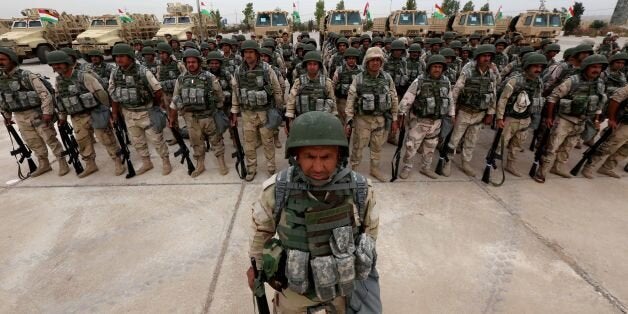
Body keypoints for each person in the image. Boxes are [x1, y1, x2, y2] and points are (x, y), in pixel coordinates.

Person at [247, 111, 379, 314]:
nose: (318, 166)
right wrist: (256, 268)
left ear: (339, 155)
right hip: (294, 289)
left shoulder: (360, 189)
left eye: (326, 157)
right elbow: (260, 234)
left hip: (341, 288)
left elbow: (369, 236)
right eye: (309, 156)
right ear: (296, 155)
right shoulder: (277, 189)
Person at [47, 50, 124, 177]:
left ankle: (118, 161)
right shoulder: (59, 81)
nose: (56, 67)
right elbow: (60, 100)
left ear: (66, 63)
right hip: (77, 116)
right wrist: (62, 117)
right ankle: (90, 165)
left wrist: (108, 112)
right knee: (83, 142)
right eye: (53, 65)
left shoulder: (83, 76)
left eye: (58, 64)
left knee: (107, 139)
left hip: (96, 112)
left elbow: (101, 93)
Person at [533, 55, 608, 183]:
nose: (597, 70)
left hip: (582, 121)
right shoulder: (572, 81)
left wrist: (596, 120)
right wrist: (550, 117)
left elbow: (599, 104)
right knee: (552, 147)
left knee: (568, 147)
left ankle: (558, 168)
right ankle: (542, 172)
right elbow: (552, 98)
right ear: (586, 67)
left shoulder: (599, 84)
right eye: (594, 67)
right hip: (564, 120)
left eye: (599, 67)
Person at [0, 47, 69, 177]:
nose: (0, 62)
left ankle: (62, 161)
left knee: (50, 138)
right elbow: (2, 98)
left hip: (37, 113)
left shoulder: (27, 75)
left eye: (3, 59)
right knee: (32, 141)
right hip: (19, 115)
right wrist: (7, 116)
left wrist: (47, 112)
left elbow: (44, 94)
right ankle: (44, 163)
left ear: (12, 60)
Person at [108, 43, 171, 176]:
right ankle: (146, 162)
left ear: (130, 57)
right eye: (116, 57)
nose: (118, 59)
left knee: (156, 139)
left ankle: (165, 161)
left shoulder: (143, 71)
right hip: (128, 113)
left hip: (146, 112)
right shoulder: (115, 73)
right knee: (137, 141)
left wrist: (153, 106)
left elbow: (158, 90)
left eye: (122, 56)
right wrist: (114, 113)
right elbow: (113, 94)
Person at [168, 49, 228, 177]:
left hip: (208, 116)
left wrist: (217, 112)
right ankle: (200, 164)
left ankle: (221, 162)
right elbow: (175, 98)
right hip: (191, 118)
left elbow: (220, 96)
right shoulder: (181, 79)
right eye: (188, 62)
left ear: (199, 62)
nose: (190, 64)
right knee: (196, 143)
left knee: (216, 140)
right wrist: (172, 118)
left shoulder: (209, 77)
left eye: (193, 62)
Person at [230, 40, 284, 181]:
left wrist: (278, 110)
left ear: (257, 54)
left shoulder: (267, 69)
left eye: (250, 52)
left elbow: (277, 90)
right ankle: (251, 168)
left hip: (265, 112)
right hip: (247, 113)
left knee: (267, 142)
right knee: (249, 143)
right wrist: (234, 113)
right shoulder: (238, 71)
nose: (248, 55)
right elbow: (235, 93)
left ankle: (271, 166)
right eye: (245, 52)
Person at [443, 44, 499, 177]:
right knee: (454, 140)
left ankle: (465, 163)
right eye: (484, 56)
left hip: (479, 113)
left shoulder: (491, 74)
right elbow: (456, 92)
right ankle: (447, 162)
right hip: (464, 112)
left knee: (471, 141)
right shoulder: (467, 71)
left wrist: (491, 113)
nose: (487, 59)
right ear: (478, 57)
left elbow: (493, 94)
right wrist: (452, 112)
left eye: (489, 56)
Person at [344, 47, 399, 182]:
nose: (375, 63)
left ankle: (374, 169)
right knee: (358, 146)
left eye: (378, 60)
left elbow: (394, 98)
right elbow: (351, 99)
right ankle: (354, 170)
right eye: (372, 60)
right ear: (367, 62)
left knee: (377, 146)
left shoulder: (387, 78)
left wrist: (395, 118)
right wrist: (349, 120)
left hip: (380, 119)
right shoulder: (359, 78)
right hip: (363, 120)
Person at [398, 54, 454, 179]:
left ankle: (426, 168)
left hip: (436, 122)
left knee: (431, 147)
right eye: (435, 66)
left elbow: (450, 100)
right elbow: (407, 98)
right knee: (411, 146)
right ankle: (407, 167)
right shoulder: (419, 81)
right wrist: (401, 114)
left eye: (440, 67)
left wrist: (452, 115)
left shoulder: (446, 82)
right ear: (429, 68)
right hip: (419, 122)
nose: (437, 69)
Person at [495, 53, 547, 177]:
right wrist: (499, 117)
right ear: (527, 66)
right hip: (510, 118)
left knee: (517, 145)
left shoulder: (539, 82)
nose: (538, 69)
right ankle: (493, 164)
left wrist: (534, 119)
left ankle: (510, 165)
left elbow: (537, 101)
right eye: (535, 66)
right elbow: (503, 99)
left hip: (525, 119)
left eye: (540, 67)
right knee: (501, 144)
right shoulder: (515, 80)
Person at [581, 84, 628, 179]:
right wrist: (612, 118)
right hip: (624, 122)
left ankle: (607, 167)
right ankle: (589, 166)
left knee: (625, 149)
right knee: (609, 146)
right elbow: (615, 100)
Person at [332, 47, 363, 125]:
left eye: (353, 58)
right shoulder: (340, 70)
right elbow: (334, 84)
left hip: (356, 101)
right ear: (346, 59)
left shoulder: (361, 70)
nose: (351, 60)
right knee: (343, 122)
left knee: (355, 123)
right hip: (342, 101)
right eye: (349, 58)